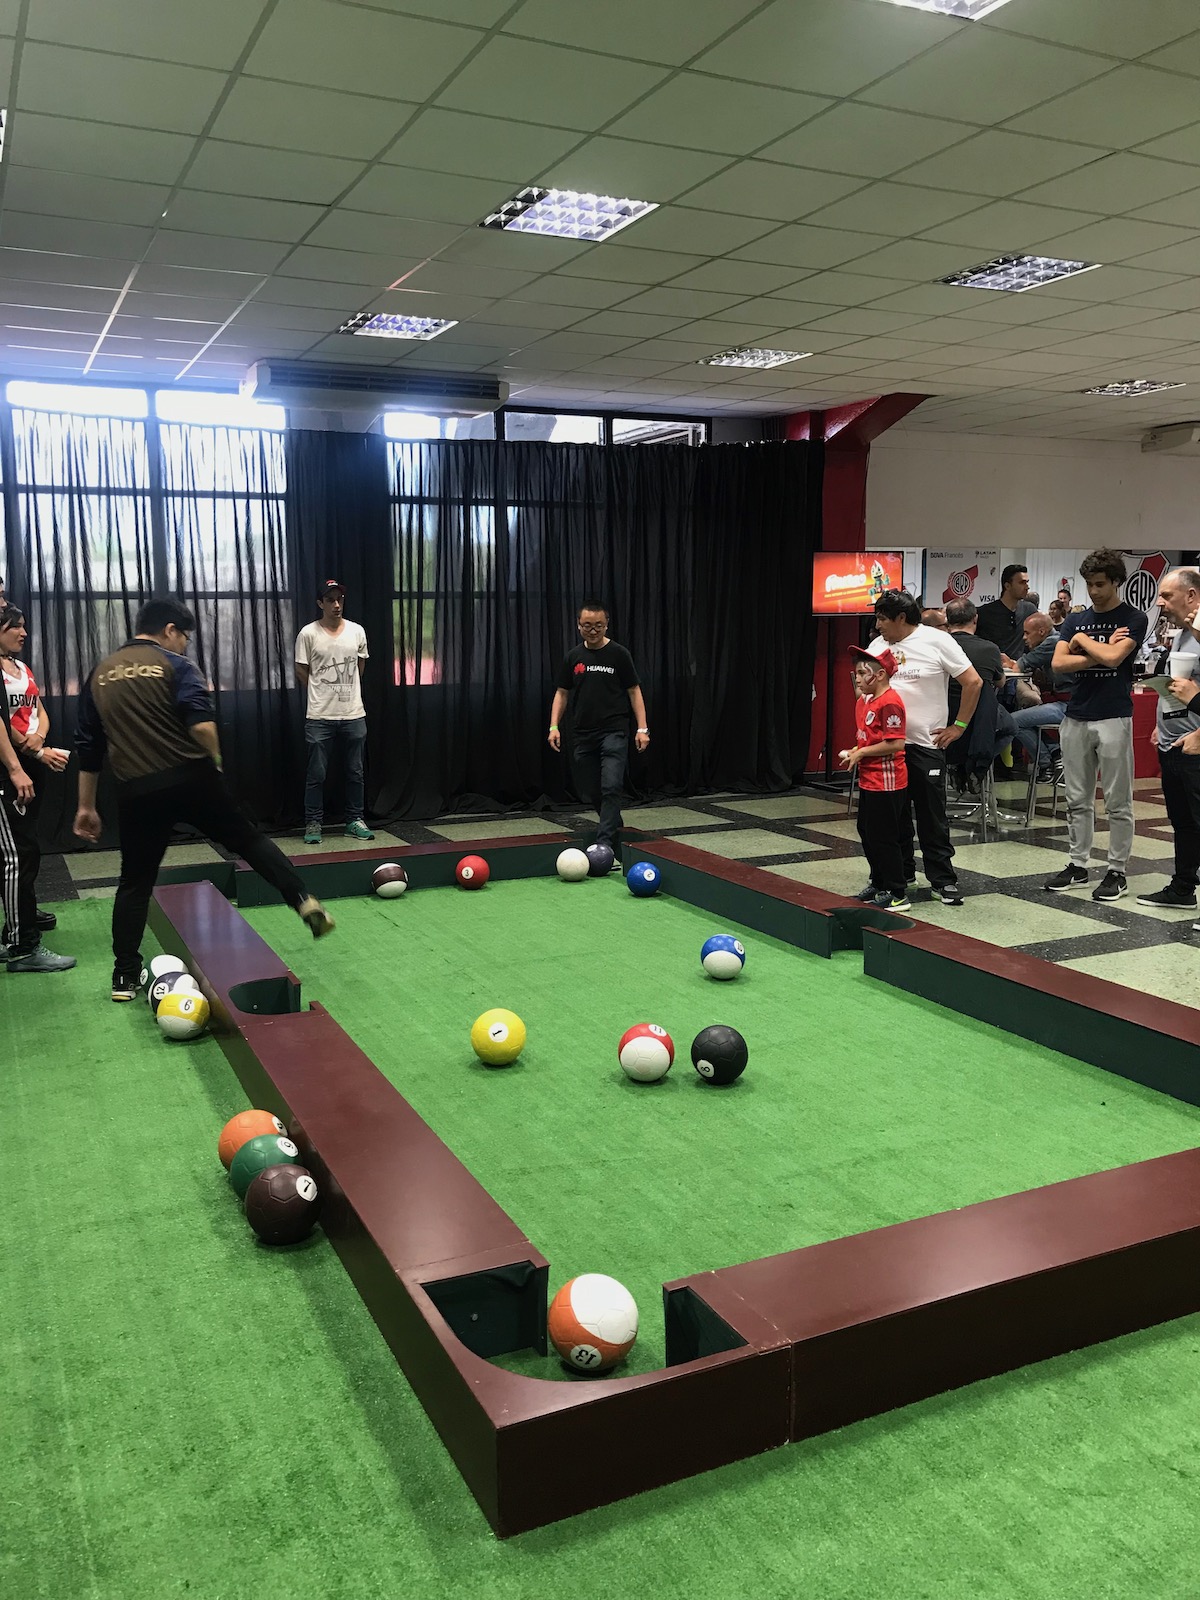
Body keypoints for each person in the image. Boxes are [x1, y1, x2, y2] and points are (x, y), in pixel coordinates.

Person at [75, 597, 335, 1001]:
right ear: (169, 630)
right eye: (185, 638)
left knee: (135, 881)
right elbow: (201, 724)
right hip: (191, 779)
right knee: (248, 841)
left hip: (136, 790)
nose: (185, 646)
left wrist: (86, 806)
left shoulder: (100, 674)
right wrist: (214, 763)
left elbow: (88, 748)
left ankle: (124, 977)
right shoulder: (177, 666)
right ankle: (302, 900)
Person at [1044, 548, 1147, 901]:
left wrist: (1084, 643)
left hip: (1114, 715)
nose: (1094, 591)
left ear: (1116, 582)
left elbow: (1117, 658)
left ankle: (1117, 871)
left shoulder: (1134, 618)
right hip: (1076, 715)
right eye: (1089, 584)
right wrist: (1098, 650)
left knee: (1118, 801)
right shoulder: (1075, 619)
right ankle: (1077, 863)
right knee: (1077, 798)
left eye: (1101, 584)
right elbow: (1058, 664)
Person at [868, 590, 982, 907]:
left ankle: (942, 881)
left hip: (926, 744)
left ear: (901, 618)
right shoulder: (877, 646)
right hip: (888, 746)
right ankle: (901, 876)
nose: (877, 626)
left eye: (881, 618)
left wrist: (958, 726)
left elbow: (973, 682)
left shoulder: (937, 640)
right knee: (894, 817)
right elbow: (863, 687)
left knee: (932, 815)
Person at [0, 609, 75, 974]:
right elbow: (2, 723)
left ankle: (18, 920)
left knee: (25, 848)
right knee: (18, 855)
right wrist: (31, 753)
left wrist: (41, 739)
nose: (24, 632)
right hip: (12, 765)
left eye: (24, 625)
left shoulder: (22, 668)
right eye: (16, 626)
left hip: (28, 763)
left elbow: (39, 711)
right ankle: (20, 944)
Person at [548, 602, 648, 860]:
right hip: (582, 734)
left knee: (611, 786)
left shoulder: (619, 654)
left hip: (614, 731)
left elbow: (634, 691)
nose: (593, 631)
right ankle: (615, 825)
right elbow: (562, 693)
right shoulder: (573, 657)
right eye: (587, 626)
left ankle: (604, 845)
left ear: (606, 625)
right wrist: (554, 726)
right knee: (591, 791)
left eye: (598, 626)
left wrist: (642, 728)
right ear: (579, 625)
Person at [1135, 567, 1200, 910]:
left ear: (1191, 596)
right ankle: (1182, 887)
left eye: (1167, 595)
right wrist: (1164, 720)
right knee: (1184, 822)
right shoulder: (1184, 635)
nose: (1160, 603)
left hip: (1196, 745)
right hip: (1174, 742)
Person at [295, 579, 373, 846]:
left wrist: (346, 689)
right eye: (330, 600)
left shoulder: (357, 632)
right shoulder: (308, 634)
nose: (336, 604)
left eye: (339, 599)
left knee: (355, 772)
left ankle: (354, 820)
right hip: (319, 716)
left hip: (353, 713)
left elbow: (360, 666)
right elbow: (301, 669)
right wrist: (321, 690)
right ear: (321, 604)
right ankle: (314, 822)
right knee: (316, 773)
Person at [841, 646, 909, 911]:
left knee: (885, 836)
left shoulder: (890, 702)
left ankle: (898, 892)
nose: (856, 678)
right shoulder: (864, 701)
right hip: (869, 780)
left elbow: (896, 744)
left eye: (861, 673)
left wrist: (862, 753)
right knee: (867, 832)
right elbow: (868, 739)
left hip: (888, 781)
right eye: (856, 672)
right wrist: (855, 752)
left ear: (879, 675)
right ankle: (879, 882)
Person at [1004, 612, 1073, 778]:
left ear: (1041, 631)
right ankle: (1055, 754)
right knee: (1025, 714)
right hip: (1065, 703)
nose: (1024, 638)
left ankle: (1045, 762)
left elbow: (1019, 667)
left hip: (1069, 707)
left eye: (1027, 633)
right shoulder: (1056, 641)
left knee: (1012, 721)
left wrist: (1009, 662)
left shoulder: (1053, 642)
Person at [976, 565, 1035, 657]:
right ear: (1007, 586)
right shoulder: (984, 613)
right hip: (994, 667)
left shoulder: (1030, 611)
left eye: (1027, 582)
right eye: (1022, 583)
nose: (1027, 587)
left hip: (1021, 668)